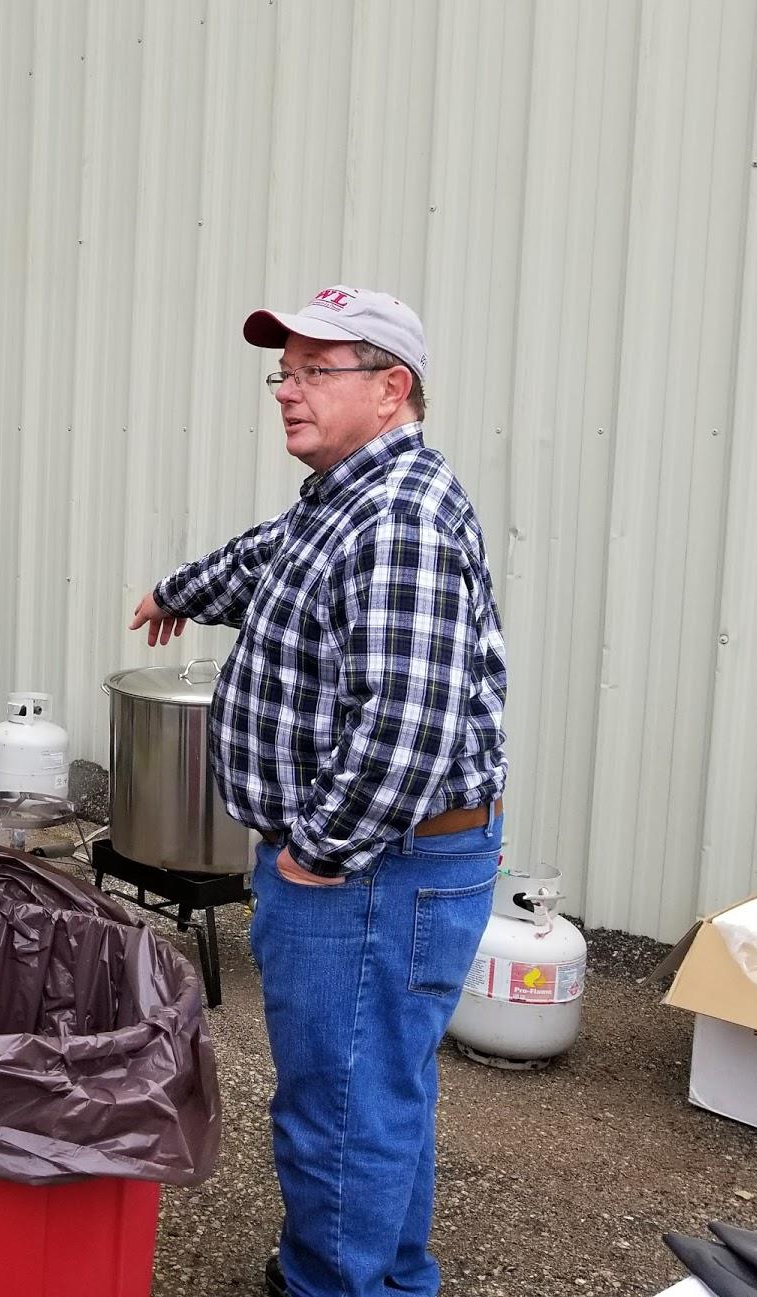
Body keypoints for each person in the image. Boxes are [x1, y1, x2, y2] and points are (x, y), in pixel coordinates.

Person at [130, 286, 507, 1297]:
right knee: (375, 1091)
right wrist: (179, 589)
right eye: (282, 372)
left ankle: (332, 1284)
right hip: (377, 860)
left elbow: (406, 725)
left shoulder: (398, 520)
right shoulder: (345, 496)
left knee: (339, 1107)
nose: (286, 391)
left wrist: (318, 851)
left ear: (390, 389)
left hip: (372, 868)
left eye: (314, 372)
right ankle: (386, 1277)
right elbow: (269, 556)